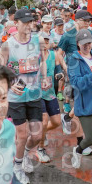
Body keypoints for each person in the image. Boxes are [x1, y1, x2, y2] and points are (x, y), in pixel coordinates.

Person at [0, 8, 46, 184]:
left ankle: (24, 154)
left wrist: (45, 77)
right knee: (22, 134)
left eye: (30, 22)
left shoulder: (39, 40)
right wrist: (10, 85)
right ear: (16, 23)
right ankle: (17, 167)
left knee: (37, 136)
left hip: (34, 94)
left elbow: (43, 60)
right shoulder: (7, 45)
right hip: (16, 96)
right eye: (24, 22)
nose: (28, 25)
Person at [68, 29, 92, 172]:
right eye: (84, 43)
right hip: (85, 104)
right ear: (78, 44)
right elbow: (76, 83)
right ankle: (78, 150)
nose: (87, 46)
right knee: (90, 138)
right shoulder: (74, 59)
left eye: (89, 43)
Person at [36, 31, 62, 164]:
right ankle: (40, 148)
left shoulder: (53, 54)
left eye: (47, 41)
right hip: (37, 93)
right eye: (43, 41)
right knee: (44, 121)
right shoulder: (35, 57)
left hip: (50, 92)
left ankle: (41, 133)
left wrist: (59, 74)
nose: (45, 43)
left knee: (57, 122)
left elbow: (58, 69)